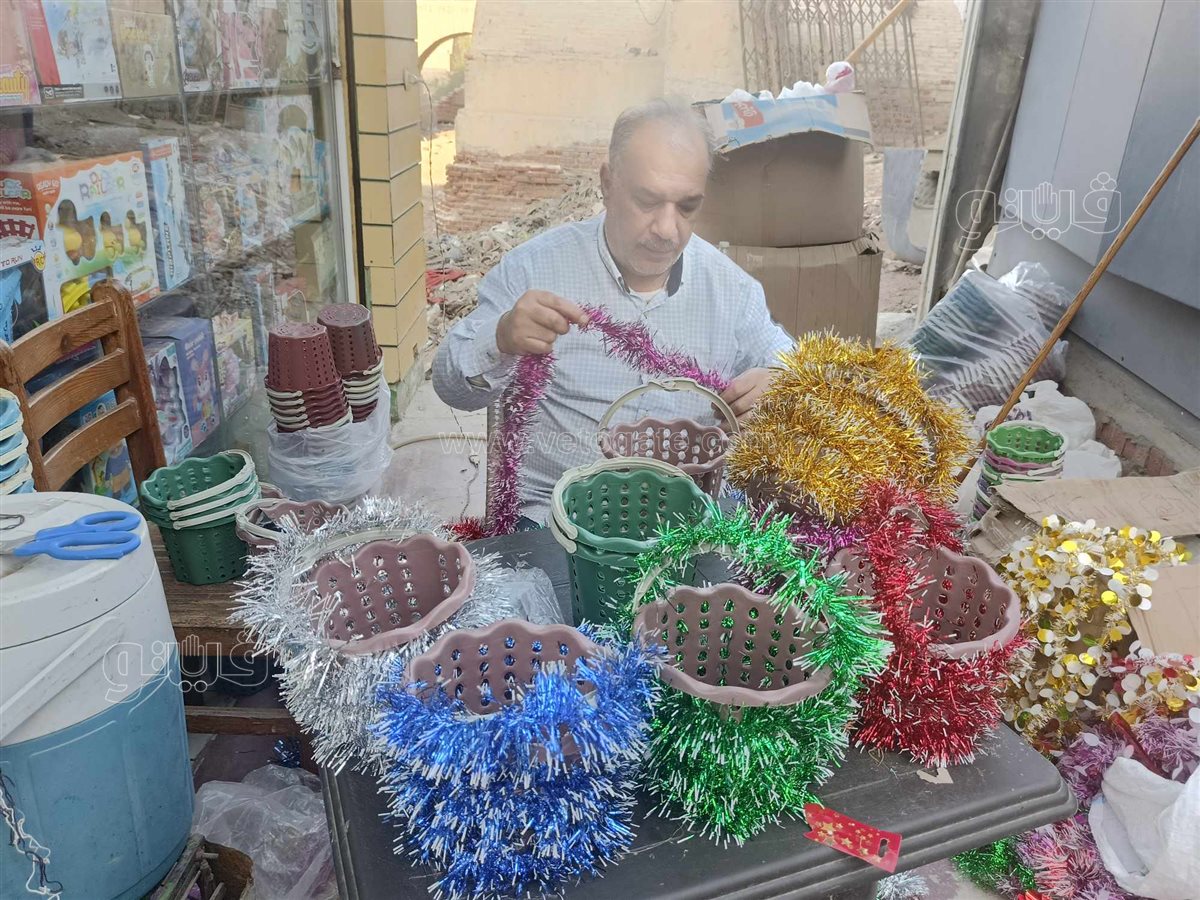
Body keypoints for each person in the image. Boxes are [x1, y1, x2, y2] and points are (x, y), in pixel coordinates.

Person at [433, 97, 793, 526]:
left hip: (683, 524)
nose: (666, 229)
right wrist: (500, 338)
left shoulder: (731, 291)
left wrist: (779, 384)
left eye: (687, 207)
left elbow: (792, 366)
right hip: (552, 520)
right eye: (647, 201)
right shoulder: (534, 270)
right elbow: (451, 386)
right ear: (607, 183)